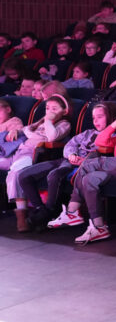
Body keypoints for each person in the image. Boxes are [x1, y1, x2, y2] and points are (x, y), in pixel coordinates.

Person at [48, 101, 116, 243]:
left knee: (89, 163)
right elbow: (100, 142)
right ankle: (99, 226)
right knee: (89, 179)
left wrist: (110, 159)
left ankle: (72, 211)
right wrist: (115, 124)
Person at [3, 95, 73, 231]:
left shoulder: (64, 124)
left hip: (34, 154)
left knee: (14, 174)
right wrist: (15, 130)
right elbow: (26, 129)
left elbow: (52, 137)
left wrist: (48, 122)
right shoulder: (40, 122)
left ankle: (22, 216)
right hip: (17, 151)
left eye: (54, 109)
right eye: (47, 108)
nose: (49, 112)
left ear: (64, 111)